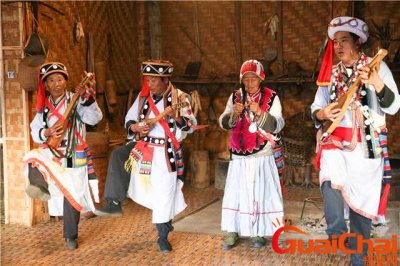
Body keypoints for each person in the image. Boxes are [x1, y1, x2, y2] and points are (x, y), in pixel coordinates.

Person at [311, 17, 400, 265]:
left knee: (362, 202)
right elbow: (316, 108)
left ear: (358, 42)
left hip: (367, 145)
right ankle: (337, 231)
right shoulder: (329, 74)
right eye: (335, 42)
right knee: (330, 178)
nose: (338, 46)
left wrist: (376, 82)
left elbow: (394, 106)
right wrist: (322, 113)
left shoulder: (377, 68)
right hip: (337, 142)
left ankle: (358, 255)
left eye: (344, 41)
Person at [94, 60, 197, 253]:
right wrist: (135, 127)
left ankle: (163, 236)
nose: (149, 84)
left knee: (164, 195)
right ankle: (113, 202)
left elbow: (190, 126)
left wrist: (176, 117)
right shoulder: (143, 98)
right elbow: (130, 120)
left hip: (165, 153)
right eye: (147, 80)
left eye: (153, 80)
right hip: (143, 147)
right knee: (118, 155)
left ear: (165, 80)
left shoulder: (181, 98)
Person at [23, 62, 103, 250]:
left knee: (71, 195)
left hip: (74, 153)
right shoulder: (44, 107)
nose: (56, 83)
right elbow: (35, 131)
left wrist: (87, 99)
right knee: (32, 159)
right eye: (51, 80)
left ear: (66, 82)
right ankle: (38, 185)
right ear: (46, 86)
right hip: (52, 152)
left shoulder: (77, 100)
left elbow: (94, 119)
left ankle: (70, 236)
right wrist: (47, 132)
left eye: (60, 79)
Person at [219, 59, 285, 250]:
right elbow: (223, 121)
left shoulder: (272, 97)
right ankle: (233, 230)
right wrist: (233, 115)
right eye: (246, 79)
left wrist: (260, 112)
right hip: (238, 156)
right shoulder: (235, 97)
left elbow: (278, 124)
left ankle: (259, 232)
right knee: (236, 193)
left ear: (260, 79)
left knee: (259, 192)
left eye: (253, 79)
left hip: (261, 155)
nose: (249, 83)